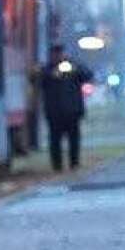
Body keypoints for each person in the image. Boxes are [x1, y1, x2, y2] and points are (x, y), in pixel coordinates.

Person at [34, 43, 92, 172]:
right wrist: (50, 73)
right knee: (55, 141)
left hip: (72, 111)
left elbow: (87, 75)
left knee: (74, 139)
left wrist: (75, 68)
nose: (58, 56)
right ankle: (57, 165)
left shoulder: (73, 66)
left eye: (60, 53)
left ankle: (74, 163)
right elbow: (38, 80)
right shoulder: (47, 69)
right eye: (55, 54)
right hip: (54, 112)